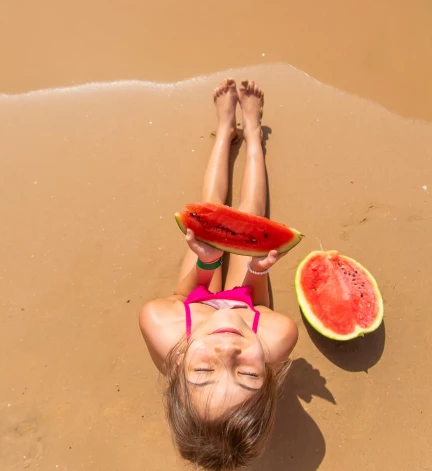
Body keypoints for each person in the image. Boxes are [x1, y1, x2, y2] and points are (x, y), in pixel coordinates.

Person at [139, 78, 299, 470]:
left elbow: (182, 296)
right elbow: (256, 304)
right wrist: (255, 272)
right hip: (245, 304)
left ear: (177, 368)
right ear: (269, 377)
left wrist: (208, 263)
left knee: (209, 208)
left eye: (204, 370)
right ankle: (254, 135)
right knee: (251, 216)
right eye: (246, 373)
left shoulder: (163, 323)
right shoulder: (277, 336)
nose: (227, 351)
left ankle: (226, 129)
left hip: (196, 303)